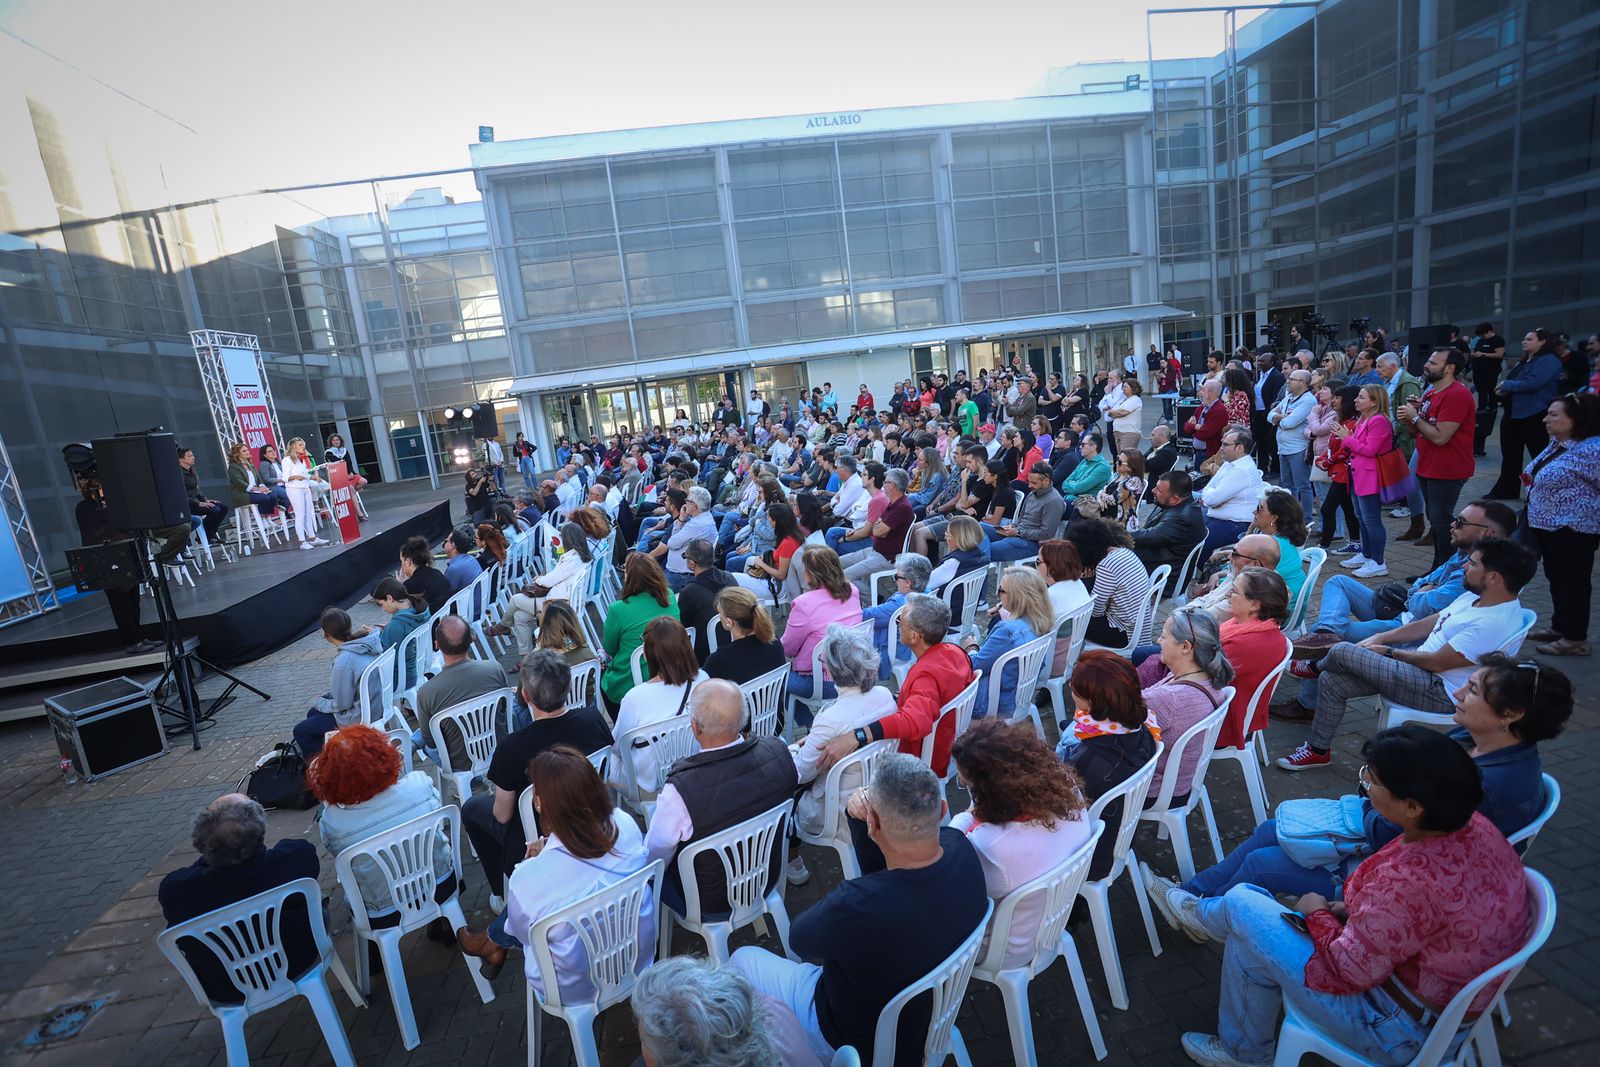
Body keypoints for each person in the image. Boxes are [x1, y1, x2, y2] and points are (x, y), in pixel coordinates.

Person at [1162, 727, 1531, 1067]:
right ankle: (1242, 1047)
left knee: (1244, 901)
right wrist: (1344, 909)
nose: (1366, 788)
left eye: (1372, 781)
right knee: (1248, 931)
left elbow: (1350, 970)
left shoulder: (1412, 879)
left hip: (1394, 1027)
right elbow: (1403, 922)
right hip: (1427, 1002)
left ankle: (1199, 915)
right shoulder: (1474, 828)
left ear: (1413, 806)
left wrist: (1317, 912)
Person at [730, 753, 988, 1065]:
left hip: (851, 1037)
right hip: (934, 1014)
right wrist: (859, 818)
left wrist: (861, 812)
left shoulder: (856, 905)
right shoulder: (962, 847)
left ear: (874, 824)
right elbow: (888, 874)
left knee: (743, 959)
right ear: (943, 810)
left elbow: (799, 940)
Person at [1276, 538, 1538, 771]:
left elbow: (1436, 663)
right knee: (1333, 681)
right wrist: (1382, 637)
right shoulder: (1476, 597)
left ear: (1493, 577)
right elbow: (1429, 623)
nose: (1464, 568)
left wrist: (1388, 652)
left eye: (1472, 564)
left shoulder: (1493, 621)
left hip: (1440, 690)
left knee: (1343, 650)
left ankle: (1314, 665)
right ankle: (1318, 751)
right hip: (1419, 671)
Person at [1281, 499, 1515, 714]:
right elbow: (1420, 587)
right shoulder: (1464, 555)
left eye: (1462, 522)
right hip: (1403, 613)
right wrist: (1423, 589)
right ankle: (1325, 635)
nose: (1453, 524)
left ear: (1487, 533)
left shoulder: (1478, 577)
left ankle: (1307, 704)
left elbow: (1423, 606)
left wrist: (1420, 592)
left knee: (1335, 640)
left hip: (1409, 630)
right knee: (1338, 584)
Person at [457, 745, 655, 986]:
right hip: (639, 955)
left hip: (574, 985)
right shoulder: (625, 824)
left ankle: (490, 943)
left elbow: (521, 934)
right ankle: (490, 942)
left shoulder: (528, 876)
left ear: (538, 802)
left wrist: (538, 863)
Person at [460, 649, 611, 900]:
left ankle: (502, 893)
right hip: (592, 813)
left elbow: (502, 814)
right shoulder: (592, 719)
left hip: (537, 837)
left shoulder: (511, 747)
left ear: (525, 695)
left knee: (472, 808)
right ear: (568, 685)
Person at [947, 719, 1093, 968]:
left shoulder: (990, 846)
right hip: (1051, 920)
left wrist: (963, 819)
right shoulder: (1064, 786)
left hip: (1004, 949)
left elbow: (953, 886)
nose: (969, 793)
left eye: (968, 786)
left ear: (989, 790)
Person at [646, 678, 798, 912]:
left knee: (647, 873)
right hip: (768, 874)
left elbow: (654, 857)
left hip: (707, 901)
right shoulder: (777, 751)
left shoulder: (678, 792)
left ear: (695, 727)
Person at [159, 794, 319, 1001]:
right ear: (261, 831)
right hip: (299, 961)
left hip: (227, 987)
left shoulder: (177, 890)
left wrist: (211, 852)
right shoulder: (294, 858)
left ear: (200, 844)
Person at [816, 593, 976, 780]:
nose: (898, 623)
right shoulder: (955, 652)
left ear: (915, 636)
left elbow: (917, 721)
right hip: (949, 743)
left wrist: (857, 735)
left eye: (901, 620)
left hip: (921, 760)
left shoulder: (925, 676)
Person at [308, 724, 452, 921]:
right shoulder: (419, 785)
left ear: (330, 777)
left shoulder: (334, 822)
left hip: (383, 911)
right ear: (385, 756)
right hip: (442, 884)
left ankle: (377, 950)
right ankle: (443, 922)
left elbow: (336, 852)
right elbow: (437, 811)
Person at [789, 626, 899, 856]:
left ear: (830, 669)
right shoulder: (885, 695)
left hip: (836, 812)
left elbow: (800, 774)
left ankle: (792, 862)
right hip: (880, 796)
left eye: (824, 659)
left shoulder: (830, 719)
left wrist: (789, 750)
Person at [1057, 651, 1159, 879]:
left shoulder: (1089, 760)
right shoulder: (1144, 730)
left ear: (1091, 701)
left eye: (1074, 688)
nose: (1070, 690)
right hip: (1120, 837)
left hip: (1090, 858)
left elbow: (1061, 816)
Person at [1522, 393, 1600, 656]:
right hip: (1546, 525)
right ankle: (1560, 627)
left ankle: (1576, 638)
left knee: (1574, 583)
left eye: (1554, 415)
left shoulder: (1593, 449)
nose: (1546, 419)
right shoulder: (1558, 442)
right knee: (1556, 579)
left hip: (1574, 529)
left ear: (1575, 419)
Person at [1135, 608, 1233, 800]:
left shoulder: (1168, 698)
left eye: (1163, 636)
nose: (1158, 641)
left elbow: (1123, 730)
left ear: (1186, 647)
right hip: (1182, 780)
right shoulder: (1208, 678)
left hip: (1152, 788)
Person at [1397, 347, 1477, 566]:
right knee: (1436, 519)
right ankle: (1438, 571)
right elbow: (1421, 433)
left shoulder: (1457, 394)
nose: (1427, 365)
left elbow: (1441, 437)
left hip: (1448, 467)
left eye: (1433, 363)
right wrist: (1411, 418)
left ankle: (1447, 572)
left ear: (1450, 368)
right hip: (1428, 465)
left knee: (1442, 522)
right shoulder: (1431, 392)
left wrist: (1415, 418)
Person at [72, 477, 167, 654]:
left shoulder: (111, 506)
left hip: (125, 554)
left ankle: (139, 637)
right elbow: (98, 530)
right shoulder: (85, 507)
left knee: (133, 599)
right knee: (120, 603)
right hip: (105, 559)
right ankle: (131, 641)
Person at [612, 618, 706, 793]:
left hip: (650, 783)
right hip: (694, 765)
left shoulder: (635, 698)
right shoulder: (703, 679)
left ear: (648, 654)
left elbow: (618, 747)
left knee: (609, 755)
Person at [412, 614, 510, 767]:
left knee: (425, 742)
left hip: (460, 763)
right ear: (471, 639)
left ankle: (473, 782)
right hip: (500, 747)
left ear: (436, 645)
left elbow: (431, 741)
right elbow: (504, 709)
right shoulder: (494, 668)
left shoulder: (426, 692)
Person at [961, 567, 1053, 721]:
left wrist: (972, 648)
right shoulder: (1041, 622)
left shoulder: (1007, 631)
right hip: (1019, 697)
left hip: (991, 703)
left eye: (1001, 590)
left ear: (1018, 597)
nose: (997, 594)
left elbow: (975, 665)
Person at [291, 607, 384, 758]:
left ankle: (326, 767)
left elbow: (342, 704)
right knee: (313, 713)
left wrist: (320, 701)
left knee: (300, 731)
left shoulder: (344, 661)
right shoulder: (367, 644)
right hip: (375, 706)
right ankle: (337, 747)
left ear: (326, 634)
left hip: (357, 716)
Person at [780, 547, 863, 714]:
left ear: (810, 573)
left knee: (773, 682)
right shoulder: (852, 590)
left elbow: (788, 648)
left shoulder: (803, 603)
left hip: (823, 682)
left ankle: (811, 726)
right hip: (856, 672)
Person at [494, 520, 591, 656]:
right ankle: (526, 656)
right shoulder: (580, 556)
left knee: (516, 599)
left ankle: (503, 626)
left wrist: (539, 579)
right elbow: (556, 576)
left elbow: (549, 581)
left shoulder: (572, 559)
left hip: (558, 605)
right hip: (564, 601)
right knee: (519, 616)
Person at [1487, 328, 1562, 499]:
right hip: (1513, 413)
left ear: (1542, 341)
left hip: (1534, 414)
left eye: (1529, 339)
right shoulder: (1527, 361)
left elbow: (1532, 383)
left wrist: (1506, 386)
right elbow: (1517, 381)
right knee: (1510, 455)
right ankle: (1507, 489)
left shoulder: (1548, 361)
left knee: (1539, 454)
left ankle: (1544, 492)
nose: (1524, 341)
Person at [1330, 384, 1395, 578]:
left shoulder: (1378, 421)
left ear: (1374, 402)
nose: (1356, 400)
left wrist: (1346, 438)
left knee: (1371, 519)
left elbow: (1369, 450)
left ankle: (1378, 561)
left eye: (1361, 397)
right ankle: (1367, 554)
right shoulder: (1363, 419)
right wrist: (1346, 439)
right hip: (1357, 474)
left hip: (1370, 476)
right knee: (1362, 517)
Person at [600, 553, 679, 712]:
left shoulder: (618, 609)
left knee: (604, 681)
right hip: (671, 668)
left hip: (630, 680)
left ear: (629, 577)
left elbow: (609, 649)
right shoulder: (669, 596)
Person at [1067, 517, 1150, 650]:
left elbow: (1095, 611)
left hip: (1123, 633)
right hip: (1139, 629)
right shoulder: (1125, 553)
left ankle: (1068, 658)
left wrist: (1087, 582)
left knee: (1069, 619)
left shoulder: (1107, 565)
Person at [840, 467, 915, 598]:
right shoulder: (893, 503)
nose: (883, 485)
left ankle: (874, 599)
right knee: (836, 563)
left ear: (892, 486)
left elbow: (878, 532)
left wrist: (879, 527)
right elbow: (878, 530)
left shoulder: (902, 507)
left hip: (885, 558)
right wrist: (879, 527)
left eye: (885, 482)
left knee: (844, 576)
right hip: (874, 551)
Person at [1375, 354, 1427, 541]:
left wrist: (1402, 436)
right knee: (1409, 481)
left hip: (1407, 439)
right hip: (1396, 436)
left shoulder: (1406, 383)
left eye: (1380, 366)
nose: (1378, 370)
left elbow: (1407, 414)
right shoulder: (1391, 382)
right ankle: (1416, 522)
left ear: (1393, 365)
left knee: (1413, 482)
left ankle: (1420, 522)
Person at [1131, 471, 1206, 592]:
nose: (1153, 490)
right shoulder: (1179, 506)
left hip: (1163, 577)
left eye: (1159, 490)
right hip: (1156, 561)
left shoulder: (1182, 518)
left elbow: (1149, 536)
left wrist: (1114, 534)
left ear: (1175, 499)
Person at [862, 553, 932, 680]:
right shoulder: (929, 592)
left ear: (908, 583)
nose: (894, 580)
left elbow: (865, 617)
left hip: (897, 650)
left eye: (896, 576)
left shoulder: (898, 605)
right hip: (917, 644)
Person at [701, 586, 786, 685]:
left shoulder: (719, 660)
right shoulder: (773, 639)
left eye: (720, 613)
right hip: (775, 700)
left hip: (740, 701)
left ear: (729, 622)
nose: (720, 617)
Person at [1198, 429, 1264, 555]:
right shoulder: (1229, 463)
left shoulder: (1242, 470)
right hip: (1217, 516)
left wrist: (1212, 497)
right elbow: (1208, 488)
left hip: (1234, 525)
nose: (1221, 448)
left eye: (1225, 445)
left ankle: (1197, 571)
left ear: (1239, 448)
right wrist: (1212, 496)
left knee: (1195, 541)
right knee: (1184, 524)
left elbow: (1212, 499)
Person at [984, 462, 1066, 562]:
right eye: (1029, 481)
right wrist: (1013, 526)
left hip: (1029, 544)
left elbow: (1046, 534)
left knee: (983, 551)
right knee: (977, 528)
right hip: (1016, 534)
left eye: (1034, 483)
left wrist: (1019, 532)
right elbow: (1021, 517)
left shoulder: (1054, 501)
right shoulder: (1033, 494)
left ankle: (977, 561)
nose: (1029, 485)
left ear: (1046, 481)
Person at [1035, 538, 1092, 673]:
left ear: (1052, 566)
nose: (1035, 566)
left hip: (1048, 664)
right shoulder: (1078, 584)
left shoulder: (1050, 596)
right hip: (1069, 658)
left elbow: (1023, 625)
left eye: (1038, 562)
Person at [675, 538, 737, 663]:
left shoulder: (688, 592)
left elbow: (682, 626)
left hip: (704, 653)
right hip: (734, 640)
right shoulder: (729, 578)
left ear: (692, 563)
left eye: (685, 556)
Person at [1267, 368, 1316, 519]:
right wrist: (1281, 416)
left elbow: (1290, 423)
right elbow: (1269, 415)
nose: (1288, 381)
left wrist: (1279, 419)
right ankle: (1291, 518)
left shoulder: (1308, 400)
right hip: (1283, 448)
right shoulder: (1289, 396)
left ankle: (1307, 519)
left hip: (1298, 448)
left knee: (1302, 486)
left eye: (1292, 379)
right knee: (1287, 487)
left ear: (1303, 383)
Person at [1250, 489, 1307, 607]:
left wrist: (1217, 577)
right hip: (1285, 605)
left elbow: (1241, 579)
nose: (1254, 512)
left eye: (1260, 508)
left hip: (1275, 612)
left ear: (1274, 517)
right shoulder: (1284, 539)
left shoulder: (1269, 546)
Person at [177, 446, 233, 544]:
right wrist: (199, 503)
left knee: (223, 508)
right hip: (188, 505)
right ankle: (207, 535)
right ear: (181, 459)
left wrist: (205, 500)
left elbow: (196, 490)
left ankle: (209, 534)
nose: (193, 457)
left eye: (193, 455)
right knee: (215, 510)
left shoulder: (192, 471)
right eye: (190, 456)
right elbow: (181, 496)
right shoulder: (179, 474)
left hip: (196, 501)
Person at [280, 437, 327, 548]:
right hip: (295, 489)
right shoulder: (287, 460)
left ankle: (312, 538)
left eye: (303, 445)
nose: (303, 447)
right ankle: (302, 542)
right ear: (293, 446)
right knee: (300, 515)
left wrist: (314, 478)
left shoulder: (300, 460)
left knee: (308, 514)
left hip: (305, 488)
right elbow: (285, 477)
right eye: (300, 445)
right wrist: (296, 477)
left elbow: (305, 474)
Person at [226, 441, 284, 523]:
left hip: (255, 491)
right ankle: (262, 519)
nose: (247, 452)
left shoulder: (250, 465)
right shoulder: (233, 467)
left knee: (273, 496)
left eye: (247, 450)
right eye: (244, 451)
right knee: (264, 498)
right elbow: (241, 484)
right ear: (237, 454)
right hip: (243, 493)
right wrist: (258, 489)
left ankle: (267, 518)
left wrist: (262, 486)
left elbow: (259, 479)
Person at [370, 575, 430, 653]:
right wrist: (387, 630)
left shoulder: (397, 625)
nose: (383, 609)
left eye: (382, 604)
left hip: (407, 664)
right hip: (425, 657)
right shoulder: (422, 608)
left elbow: (387, 657)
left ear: (389, 598)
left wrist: (375, 636)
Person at [398, 534, 452, 614]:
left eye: (401, 561)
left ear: (408, 561)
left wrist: (400, 587)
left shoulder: (410, 586)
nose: (401, 565)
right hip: (451, 616)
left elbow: (406, 614)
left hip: (434, 624)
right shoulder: (436, 573)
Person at [1184, 380, 1229, 460]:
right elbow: (1186, 427)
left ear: (1212, 393)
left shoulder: (1219, 410)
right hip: (1197, 453)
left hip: (1208, 455)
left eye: (1204, 390)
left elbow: (1204, 434)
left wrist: (1193, 427)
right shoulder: (1202, 408)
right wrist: (1196, 426)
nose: (1201, 393)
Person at [1105, 378, 1145, 455]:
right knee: (1119, 456)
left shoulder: (1135, 400)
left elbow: (1123, 412)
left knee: (1126, 457)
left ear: (1133, 388)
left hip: (1129, 432)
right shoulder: (1123, 400)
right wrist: (1113, 412)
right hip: (1117, 432)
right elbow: (1112, 414)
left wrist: (1112, 412)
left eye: (1125, 387)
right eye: (1123, 386)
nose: (1123, 389)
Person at [441, 527, 483, 592]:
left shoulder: (454, 569)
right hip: (482, 599)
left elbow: (445, 592)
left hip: (470, 601)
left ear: (452, 545)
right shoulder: (472, 559)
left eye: (446, 541)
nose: (444, 543)